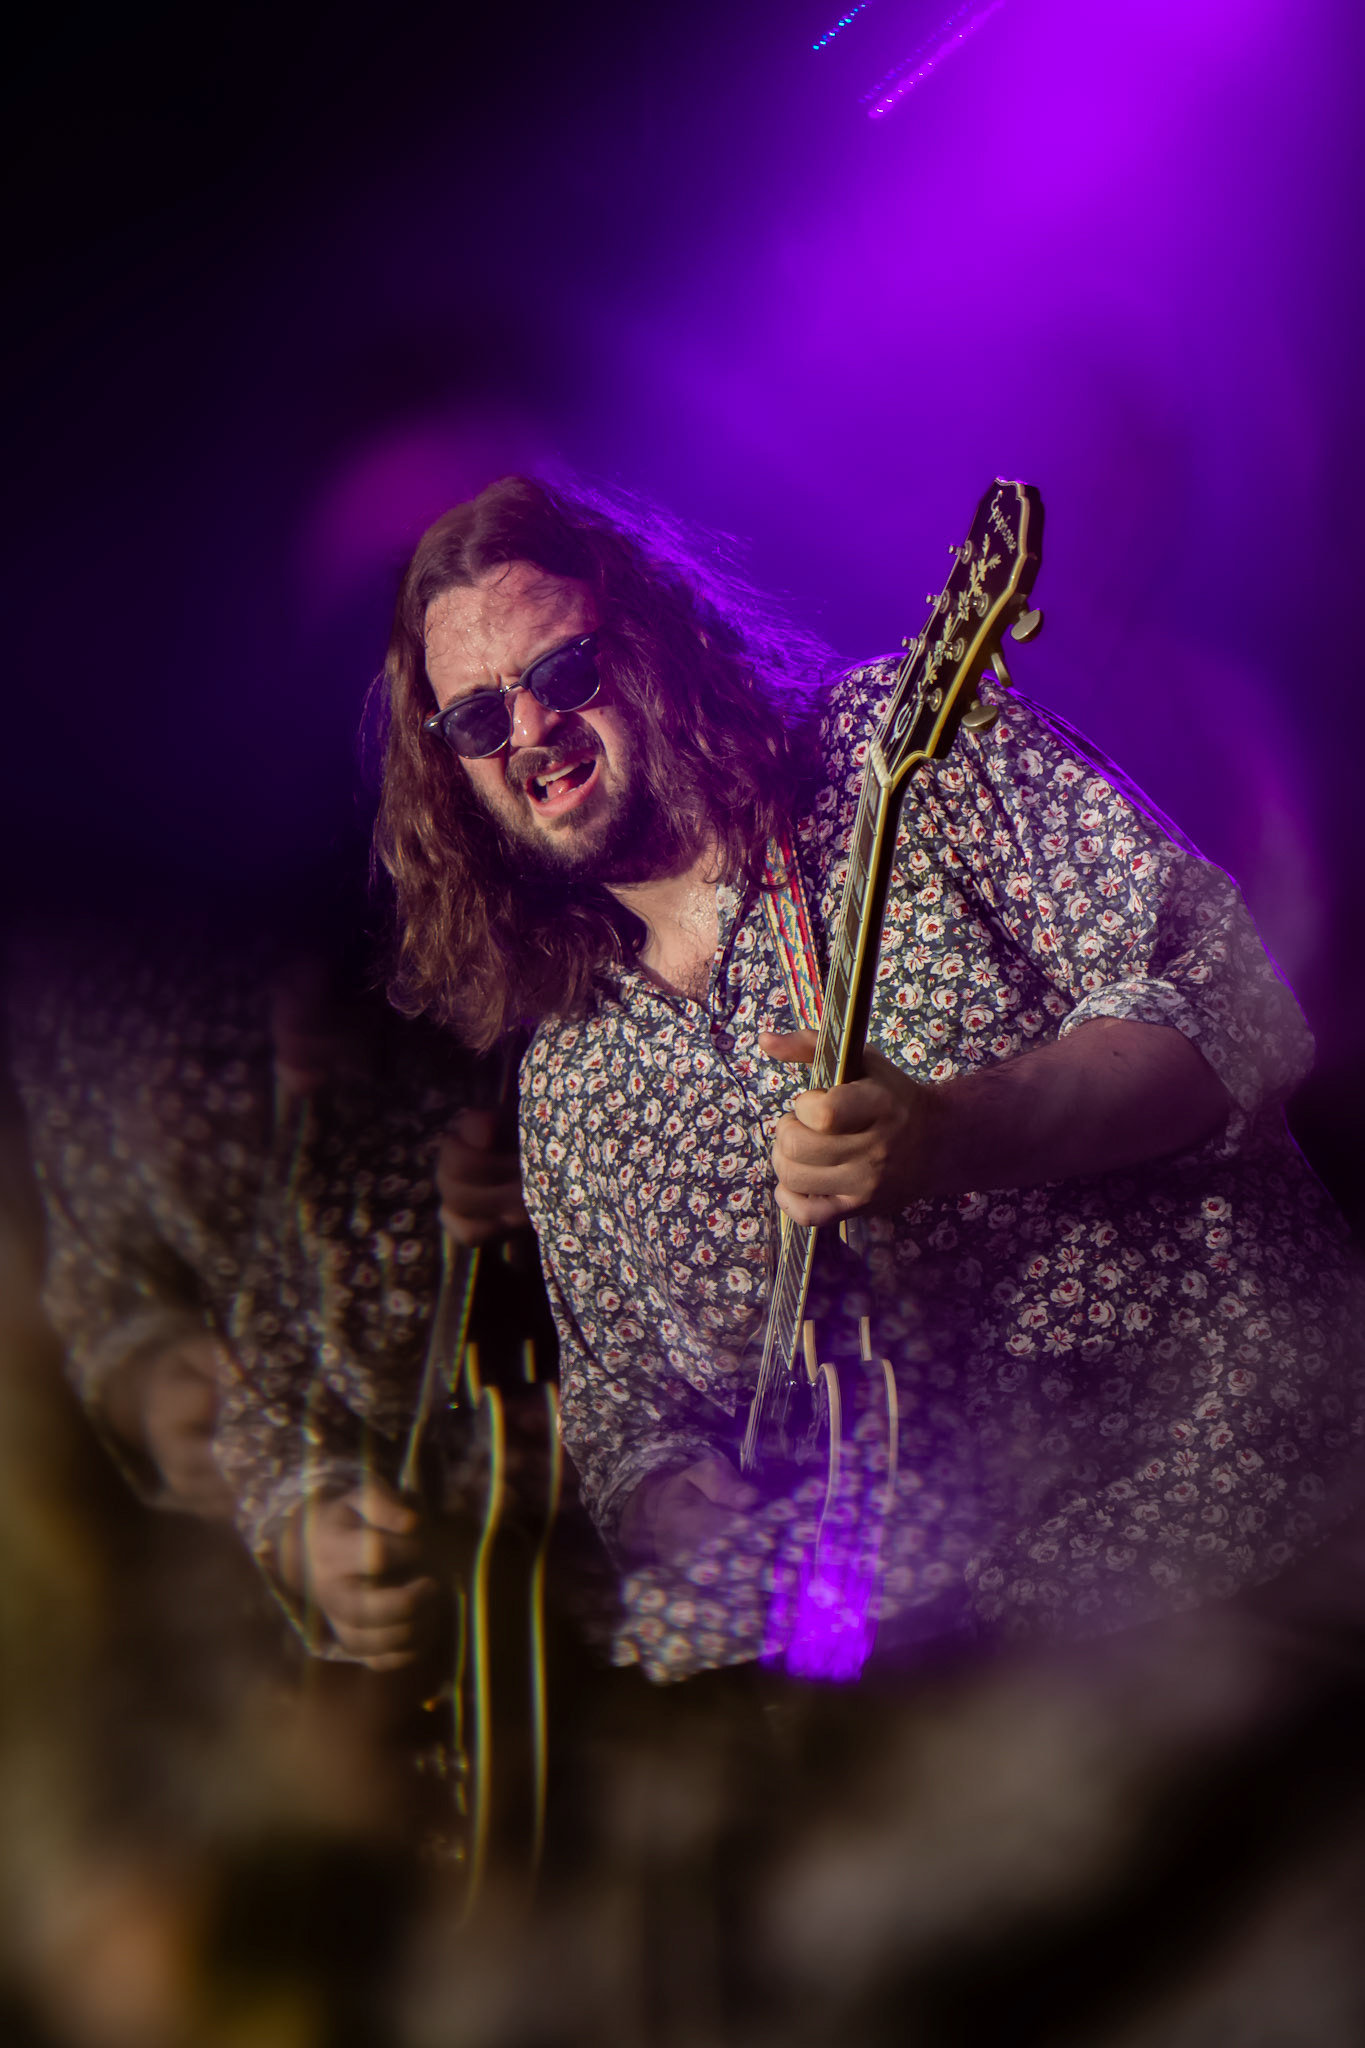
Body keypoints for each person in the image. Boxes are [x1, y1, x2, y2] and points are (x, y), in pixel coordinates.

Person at [377, 474, 1365, 1682]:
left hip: (1246, 1522)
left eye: (565, 670)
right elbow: (625, 1414)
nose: (530, 728)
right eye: (478, 717)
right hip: (959, 1681)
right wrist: (674, 1508)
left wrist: (957, 1130)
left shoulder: (899, 750)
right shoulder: (569, 1076)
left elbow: (1233, 999)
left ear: (649, 640)